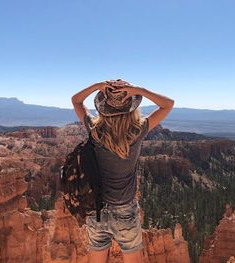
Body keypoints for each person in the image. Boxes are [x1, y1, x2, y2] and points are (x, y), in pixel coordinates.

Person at [71, 79, 174, 263]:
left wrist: (97, 86)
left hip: (97, 209)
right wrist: (138, 90)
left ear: (103, 107)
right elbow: (168, 105)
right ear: (131, 107)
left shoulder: (95, 131)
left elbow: (76, 101)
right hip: (125, 209)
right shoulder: (136, 132)